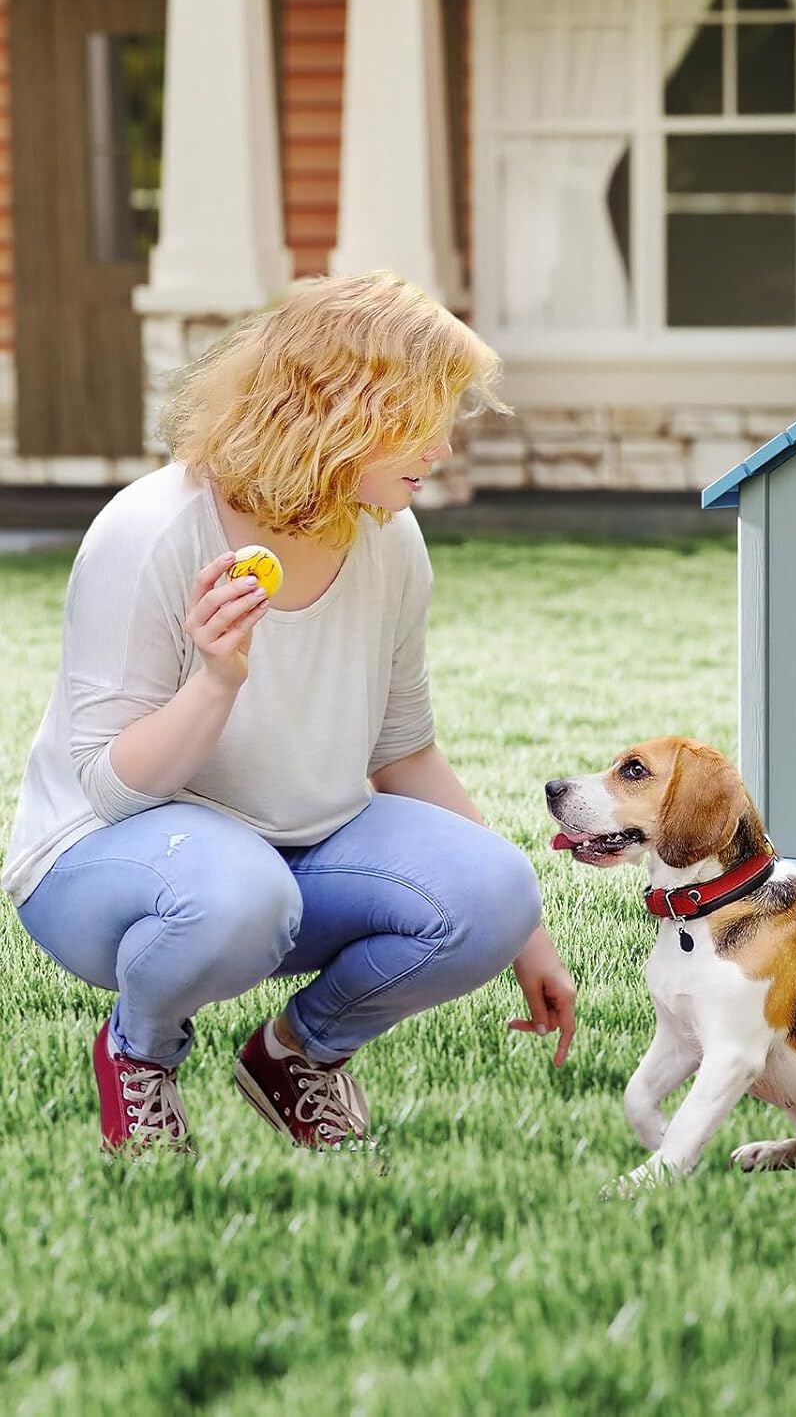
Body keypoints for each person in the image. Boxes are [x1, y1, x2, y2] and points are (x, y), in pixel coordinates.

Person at [2, 271, 575, 1154]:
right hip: (104, 864)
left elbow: (403, 752)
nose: (445, 450)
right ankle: (139, 1052)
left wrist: (523, 935)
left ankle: (297, 1053)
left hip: (293, 856)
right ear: (348, 409)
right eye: (427, 419)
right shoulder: (153, 528)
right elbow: (112, 789)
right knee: (241, 894)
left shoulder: (389, 537)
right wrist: (216, 679)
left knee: (494, 884)